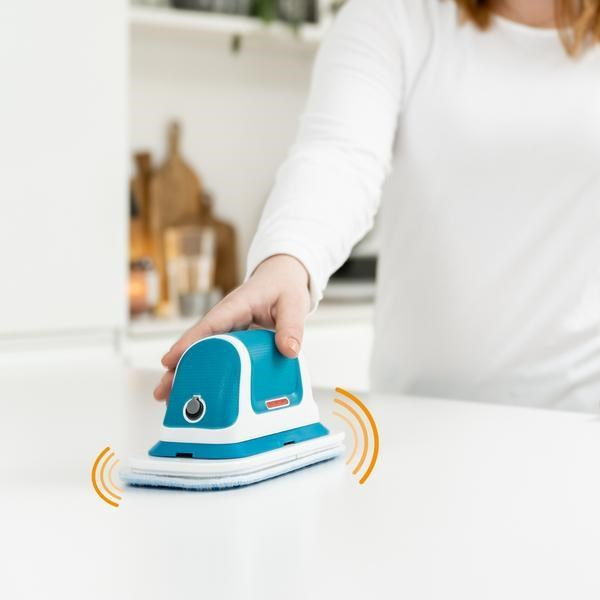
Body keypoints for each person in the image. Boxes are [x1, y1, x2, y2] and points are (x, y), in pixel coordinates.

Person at [155, 0, 600, 412]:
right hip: (423, 417)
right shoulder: (395, 13)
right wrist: (287, 261)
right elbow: (340, 156)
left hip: (584, 417)